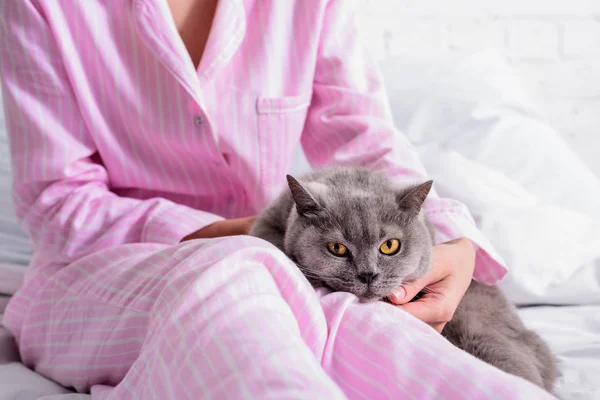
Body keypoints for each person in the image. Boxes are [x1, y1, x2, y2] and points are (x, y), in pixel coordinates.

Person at [0, 0, 553, 399]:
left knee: (361, 315)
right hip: (100, 272)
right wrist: (241, 237)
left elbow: (366, 146)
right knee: (251, 272)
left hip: (293, 270)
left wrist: (445, 236)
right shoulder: (43, 8)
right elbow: (58, 201)